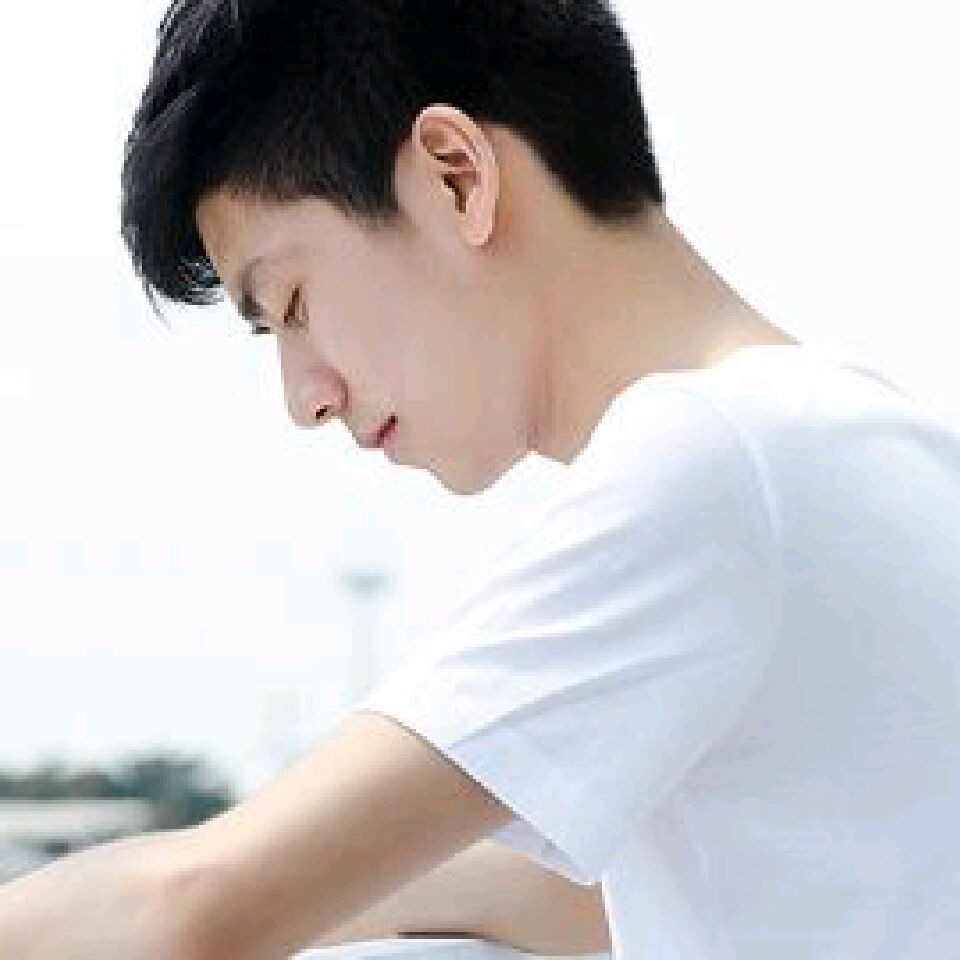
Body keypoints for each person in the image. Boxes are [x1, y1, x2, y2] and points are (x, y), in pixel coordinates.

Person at [1, 2, 957, 959]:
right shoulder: (869, 452)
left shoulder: (713, 464)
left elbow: (190, 912)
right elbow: (563, 899)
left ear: (455, 176)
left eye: (291, 304)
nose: (304, 398)